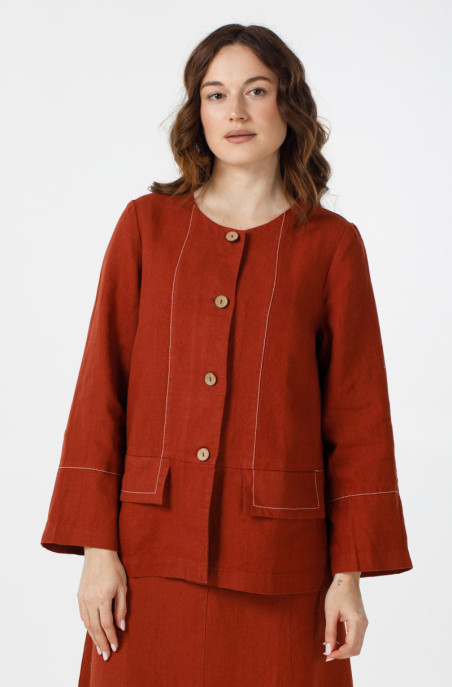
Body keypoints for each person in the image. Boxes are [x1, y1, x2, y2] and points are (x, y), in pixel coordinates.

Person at [40, 23, 413, 687]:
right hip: (148, 562)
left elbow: (358, 419)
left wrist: (348, 577)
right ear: (199, 113)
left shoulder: (331, 245)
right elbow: (101, 390)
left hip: (283, 568)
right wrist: (98, 552)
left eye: (256, 91)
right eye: (216, 94)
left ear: (289, 105)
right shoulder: (146, 227)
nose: (235, 111)